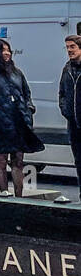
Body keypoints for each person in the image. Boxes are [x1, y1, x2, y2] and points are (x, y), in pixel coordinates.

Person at [0, 38, 45, 197]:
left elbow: (26, 93)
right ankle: (5, 194)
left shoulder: (16, 72)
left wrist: (29, 108)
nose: (7, 53)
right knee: (1, 159)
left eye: (8, 50)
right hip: (0, 123)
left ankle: (19, 197)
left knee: (18, 160)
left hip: (18, 121)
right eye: (3, 50)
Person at [58, 35, 81, 186]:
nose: (69, 50)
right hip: (73, 124)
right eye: (67, 47)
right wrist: (65, 110)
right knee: (79, 162)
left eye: (72, 46)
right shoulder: (67, 69)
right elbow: (62, 93)